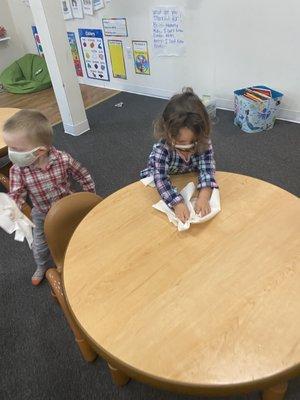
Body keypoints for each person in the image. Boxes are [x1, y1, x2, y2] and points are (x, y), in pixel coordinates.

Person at [3, 109, 95, 286]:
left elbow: (83, 174)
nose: (11, 153)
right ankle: (42, 266)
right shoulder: (17, 170)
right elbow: (16, 193)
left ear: (39, 151)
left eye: (16, 149)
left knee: (79, 232)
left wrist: (89, 197)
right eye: (9, 147)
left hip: (68, 206)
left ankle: (82, 255)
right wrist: (13, 206)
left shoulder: (63, 159)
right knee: (40, 246)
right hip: (42, 214)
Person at [141, 87, 218, 223]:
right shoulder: (162, 150)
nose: (188, 147)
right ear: (168, 134)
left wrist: (204, 196)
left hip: (188, 176)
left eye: (193, 142)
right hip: (165, 180)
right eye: (182, 142)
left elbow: (207, 168)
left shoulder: (203, 142)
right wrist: (177, 203)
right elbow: (161, 179)